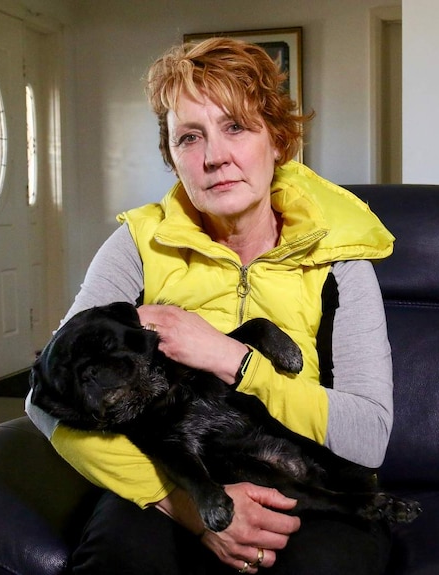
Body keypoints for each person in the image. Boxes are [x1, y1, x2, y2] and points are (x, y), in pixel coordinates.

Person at [26, 36, 396, 575]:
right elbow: (44, 398)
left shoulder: (341, 259)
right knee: (122, 557)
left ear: (278, 139)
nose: (214, 156)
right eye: (189, 137)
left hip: (303, 472)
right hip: (179, 478)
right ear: (172, 156)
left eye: (236, 127)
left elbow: (368, 436)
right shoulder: (136, 245)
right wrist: (185, 506)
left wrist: (230, 357)